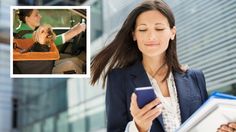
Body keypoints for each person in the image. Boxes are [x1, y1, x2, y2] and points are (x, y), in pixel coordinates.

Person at [90, 0, 236, 132]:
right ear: (134, 35)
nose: (151, 36)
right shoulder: (119, 79)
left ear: (172, 33)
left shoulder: (195, 77)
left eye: (159, 29)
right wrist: (138, 127)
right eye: (143, 29)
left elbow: (205, 125)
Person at [14, 9, 86, 74]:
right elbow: (53, 41)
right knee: (72, 64)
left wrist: (74, 29)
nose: (40, 16)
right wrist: (76, 30)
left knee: (76, 60)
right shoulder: (26, 36)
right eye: (36, 15)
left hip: (43, 64)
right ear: (27, 19)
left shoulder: (24, 31)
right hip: (40, 70)